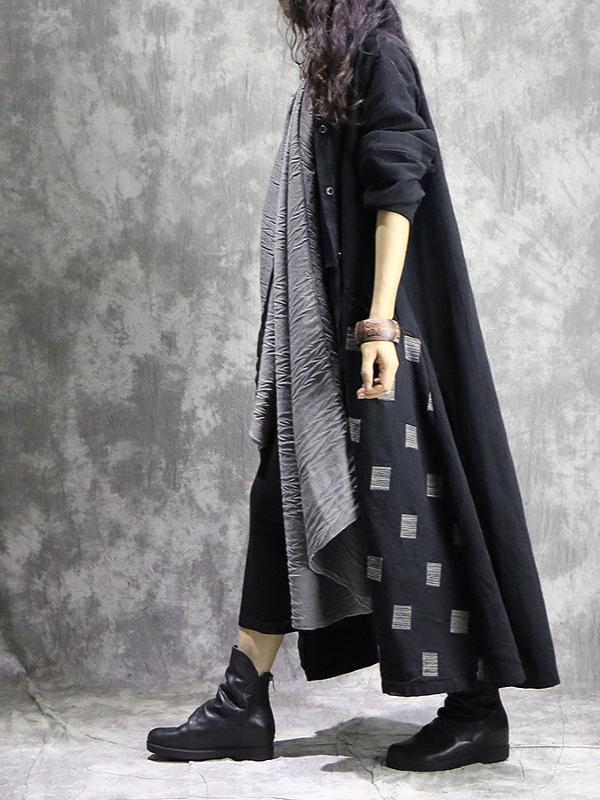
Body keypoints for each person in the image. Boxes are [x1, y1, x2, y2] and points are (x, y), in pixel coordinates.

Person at [147, 0, 560, 771]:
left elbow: (398, 185)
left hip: (373, 338)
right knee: (283, 493)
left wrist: (379, 327)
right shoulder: (333, 70)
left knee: (414, 506)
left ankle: (476, 709)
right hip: (323, 337)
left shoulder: (378, 57)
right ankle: (243, 699)